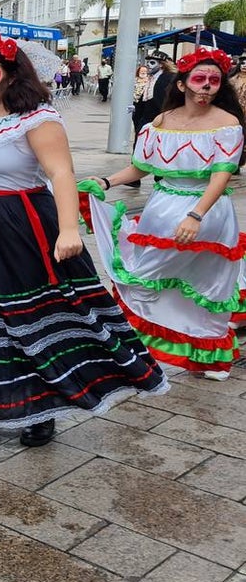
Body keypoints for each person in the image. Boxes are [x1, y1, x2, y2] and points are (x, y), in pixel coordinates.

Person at [0, 33, 168, 447]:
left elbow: (60, 174)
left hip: (22, 227)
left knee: (26, 321)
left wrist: (70, 228)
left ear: (11, 76)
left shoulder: (38, 119)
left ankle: (41, 409)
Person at [85, 47, 245, 382]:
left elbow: (221, 175)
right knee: (144, 277)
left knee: (208, 285)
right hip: (161, 207)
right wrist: (105, 180)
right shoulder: (162, 121)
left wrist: (196, 215)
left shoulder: (228, 123)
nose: (207, 87)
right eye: (199, 80)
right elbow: (139, 168)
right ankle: (138, 347)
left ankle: (208, 356)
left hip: (208, 212)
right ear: (183, 84)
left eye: (214, 81)